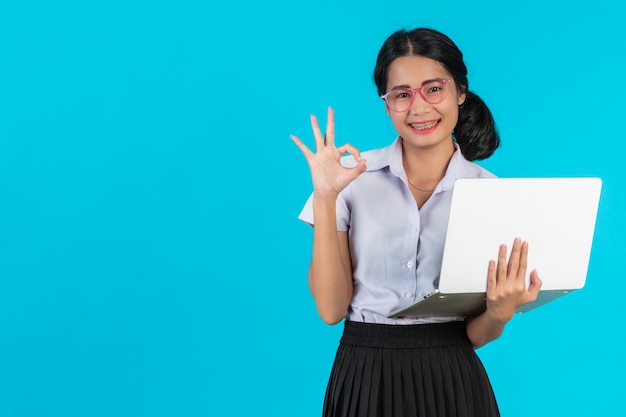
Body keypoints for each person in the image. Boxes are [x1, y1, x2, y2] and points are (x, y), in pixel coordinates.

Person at [291, 28, 543, 417]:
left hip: (453, 380)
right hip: (363, 374)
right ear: (387, 104)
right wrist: (326, 198)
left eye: (434, 89)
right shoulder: (348, 179)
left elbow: (472, 336)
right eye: (402, 94)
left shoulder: (492, 195)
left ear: (460, 92)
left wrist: (498, 312)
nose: (419, 107)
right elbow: (330, 309)